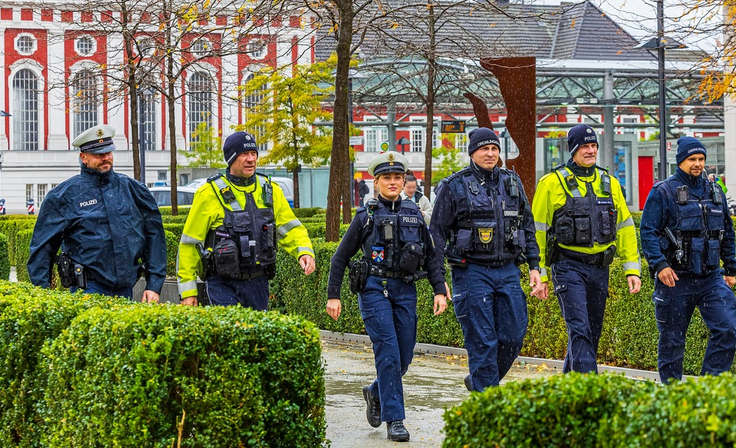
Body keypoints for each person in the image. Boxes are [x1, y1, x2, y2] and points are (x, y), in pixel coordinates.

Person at [327, 151, 447, 442]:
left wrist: (440, 289)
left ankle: (375, 391)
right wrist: (334, 296)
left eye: (398, 177)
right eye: (387, 178)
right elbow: (339, 258)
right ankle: (395, 420)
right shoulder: (365, 217)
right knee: (389, 354)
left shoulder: (414, 214)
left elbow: (431, 257)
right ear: (376, 181)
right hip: (373, 289)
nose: (394, 182)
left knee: (404, 356)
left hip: (404, 289)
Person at [430, 127, 545, 393]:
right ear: (473, 153)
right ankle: (487, 404)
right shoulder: (453, 186)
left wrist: (534, 266)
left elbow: (527, 226)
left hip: (507, 270)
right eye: (484, 149)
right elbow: (436, 235)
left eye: (494, 149)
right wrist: (438, 280)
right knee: (483, 341)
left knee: (514, 336)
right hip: (471, 272)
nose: (490, 153)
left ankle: (481, 379)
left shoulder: (512, 182)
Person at [532, 124, 641, 374]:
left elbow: (624, 227)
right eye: (585, 146)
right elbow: (536, 231)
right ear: (573, 150)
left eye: (593, 146)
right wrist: (541, 274)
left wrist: (632, 269)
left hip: (600, 269)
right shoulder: (551, 183)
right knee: (580, 329)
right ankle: (589, 392)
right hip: (568, 267)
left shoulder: (610, 183)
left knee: (590, 333)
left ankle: (570, 391)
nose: (591, 151)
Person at [177, 131, 315, 310]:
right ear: (231, 158)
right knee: (231, 335)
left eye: (254, 154)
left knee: (258, 336)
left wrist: (304, 252)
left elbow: (291, 228)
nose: (251, 159)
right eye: (244, 154)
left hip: (259, 283)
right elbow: (190, 244)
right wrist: (188, 292)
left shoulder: (271, 190)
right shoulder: (208, 194)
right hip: (222, 284)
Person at [27, 124, 166, 301]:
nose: (106, 158)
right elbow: (42, 248)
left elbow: (154, 235)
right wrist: (44, 297)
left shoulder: (133, 190)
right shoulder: (63, 196)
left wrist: (154, 284)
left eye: (108, 152)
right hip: (87, 290)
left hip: (126, 290)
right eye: (99, 154)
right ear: (83, 157)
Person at [640, 136, 736, 383]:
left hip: (711, 278)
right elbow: (648, 231)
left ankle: (707, 389)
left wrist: (730, 268)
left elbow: (727, 231)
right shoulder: (663, 191)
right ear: (681, 161)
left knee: (726, 329)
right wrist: (660, 265)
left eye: (701, 159)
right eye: (692, 159)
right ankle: (673, 395)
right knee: (672, 341)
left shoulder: (715, 191)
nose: (697, 164)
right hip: (676, 279)